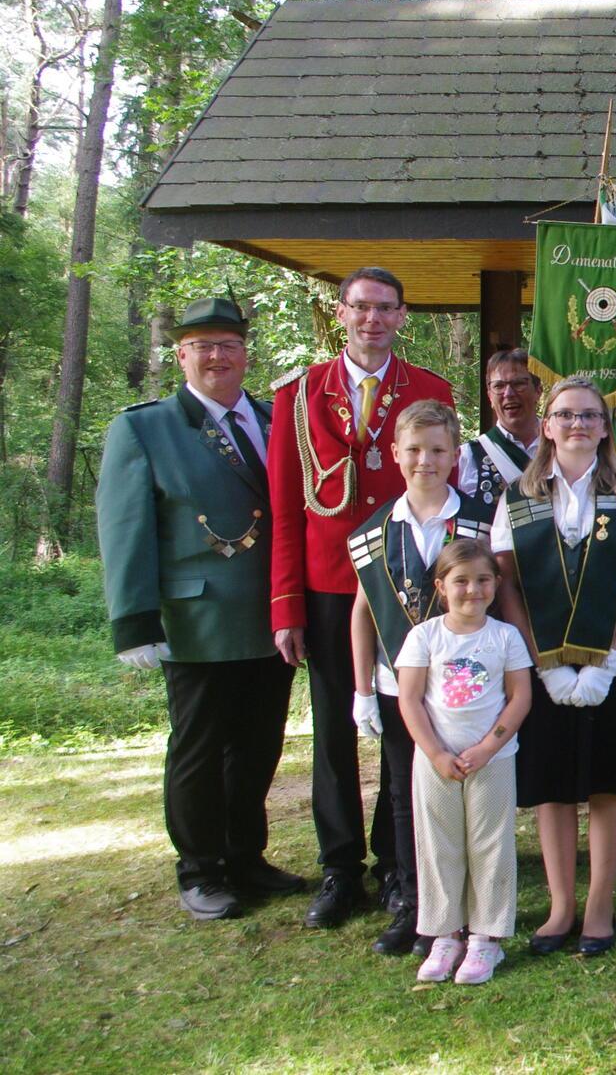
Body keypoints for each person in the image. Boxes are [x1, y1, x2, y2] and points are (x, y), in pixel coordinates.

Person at [96, 296, 304, 920]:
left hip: (271, 617)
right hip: (199, 619)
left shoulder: (276, 421)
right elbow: (126, 527)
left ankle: (246, 857)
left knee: (260, 742)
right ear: (181, 354)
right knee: (199, 746)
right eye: (203, 346)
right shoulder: (145, 428)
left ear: (246, 354)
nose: (218, 357)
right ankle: (201, 868)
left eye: (230, 345)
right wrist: (133, 621)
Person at [267, 266, 454, 928]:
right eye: (360, 307)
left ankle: (397, 867)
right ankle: (339, 868)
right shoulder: (298, 394)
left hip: (406, 582)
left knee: (404, 727)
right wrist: (285, 604)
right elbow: (286, 508)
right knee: (335, 732)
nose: (372, 319)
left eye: (385, 308)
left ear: (403, 316)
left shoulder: (430, 391)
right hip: (328, 584)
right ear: (340, 313)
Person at [491, 375, 616, 956]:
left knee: (610, 781)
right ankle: (561, 905)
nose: (577, 425)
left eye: (590, 416)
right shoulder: (516, 496)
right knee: (553, 786)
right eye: (565, 415)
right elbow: (507, 584)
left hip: (609, 663)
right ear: (546, 425)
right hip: (540, 665)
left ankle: (599, 904)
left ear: (604, 427)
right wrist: (542, 667)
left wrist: (609, 664)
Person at [346, 400, 496, 956]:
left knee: (471, 794)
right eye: (413, 450)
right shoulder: (372, 533)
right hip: (398, 689)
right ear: (395, 455)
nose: (424, 461)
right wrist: (363, 690)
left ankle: (474, 908)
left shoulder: (485, 518)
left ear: (455, 455)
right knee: (408, 797)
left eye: (436, 450)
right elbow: (362, 612)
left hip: (471, 689)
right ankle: (417, 907)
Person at [394, 539, 534, 985]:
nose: (472, 590)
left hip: (492, 761)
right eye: (461, 581)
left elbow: (520, 698)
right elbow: (410, 700)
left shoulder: (506, 637)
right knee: (439, 844)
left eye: (482, 580)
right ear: (441, 586)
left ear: (496, 584)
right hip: (436, 762)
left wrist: (487, 748)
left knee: (490, 844)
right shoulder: (424, 637)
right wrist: (437, 753)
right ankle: (444, 934)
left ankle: (486, 939)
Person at [457, 348, 542, 507]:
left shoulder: (560, 446)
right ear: (489, 396)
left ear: (538, 391)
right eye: (499, 386)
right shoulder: (469, 456)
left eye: (518, 384)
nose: (508, 393)